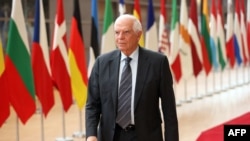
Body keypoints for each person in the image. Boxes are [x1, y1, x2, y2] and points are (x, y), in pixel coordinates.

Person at [85, 14, 179, 141]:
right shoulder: (102, 63)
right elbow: (92, 105)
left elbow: (169, 110)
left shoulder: (158, 63)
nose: (120, 37)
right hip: (110, 136)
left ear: (138, 35)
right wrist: (91, 135)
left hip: (146, 136)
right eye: (117, 32)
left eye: (126, 32)